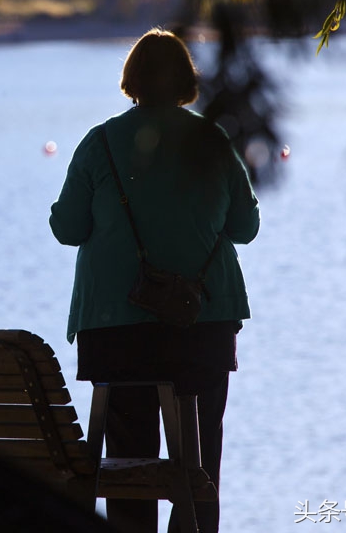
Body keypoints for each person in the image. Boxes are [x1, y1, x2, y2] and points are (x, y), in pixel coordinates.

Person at [49, 28, 260, 533]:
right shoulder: (213, 141)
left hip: (117, 328)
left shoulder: (100, 143)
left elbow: (67, 229)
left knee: (129, 457)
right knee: (201, 454)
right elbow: (245, 228)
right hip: (202, 320)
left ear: (132, 80)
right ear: (187, 80)